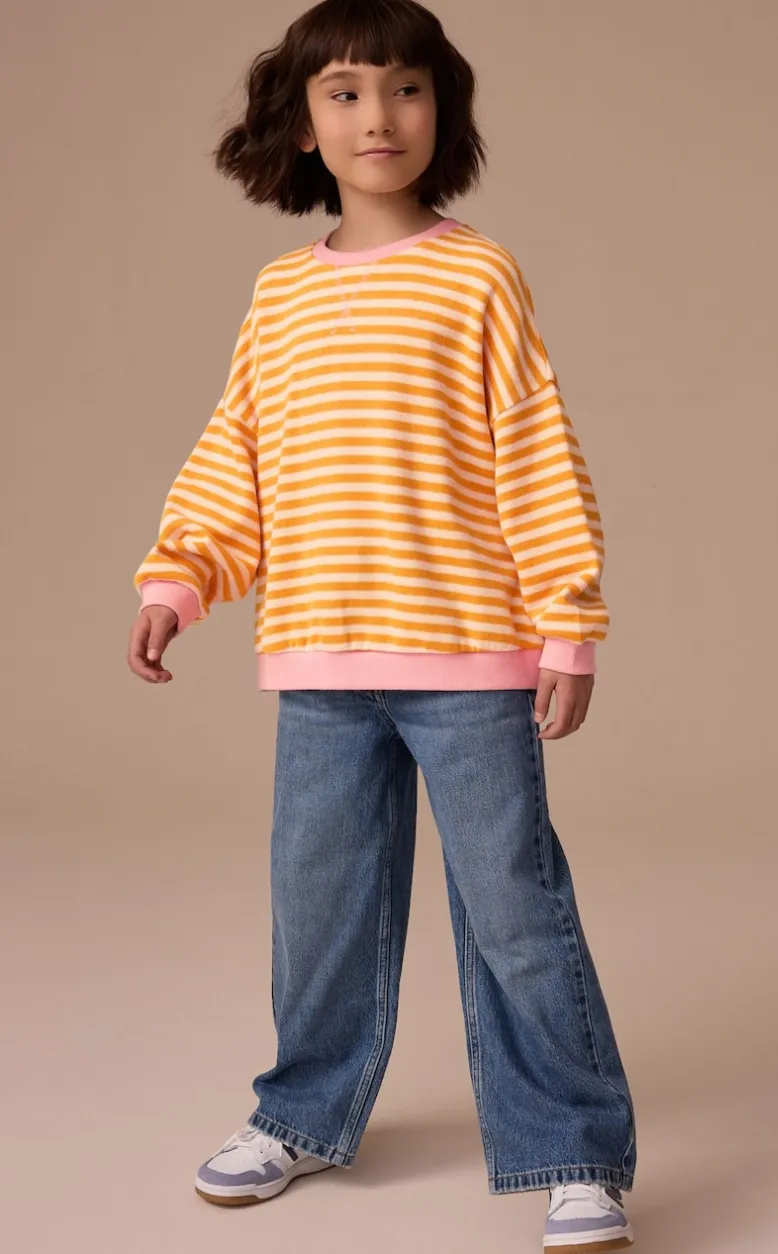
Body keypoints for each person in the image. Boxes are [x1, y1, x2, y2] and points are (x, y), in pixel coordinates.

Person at [127, 0, 636, 1247]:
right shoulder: (279, 297)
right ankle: (301, 1115)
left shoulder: (477, 275)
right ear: (302, 125)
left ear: (440, 112)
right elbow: (238, 458)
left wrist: (566, 626)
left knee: (514, 913)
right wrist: (176, 579)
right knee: (319, 909)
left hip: (469, 661)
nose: (378, 116)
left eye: (406, 88)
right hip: (319, 661)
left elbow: (536, 456)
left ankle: (572, 1150)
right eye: (346, 92)